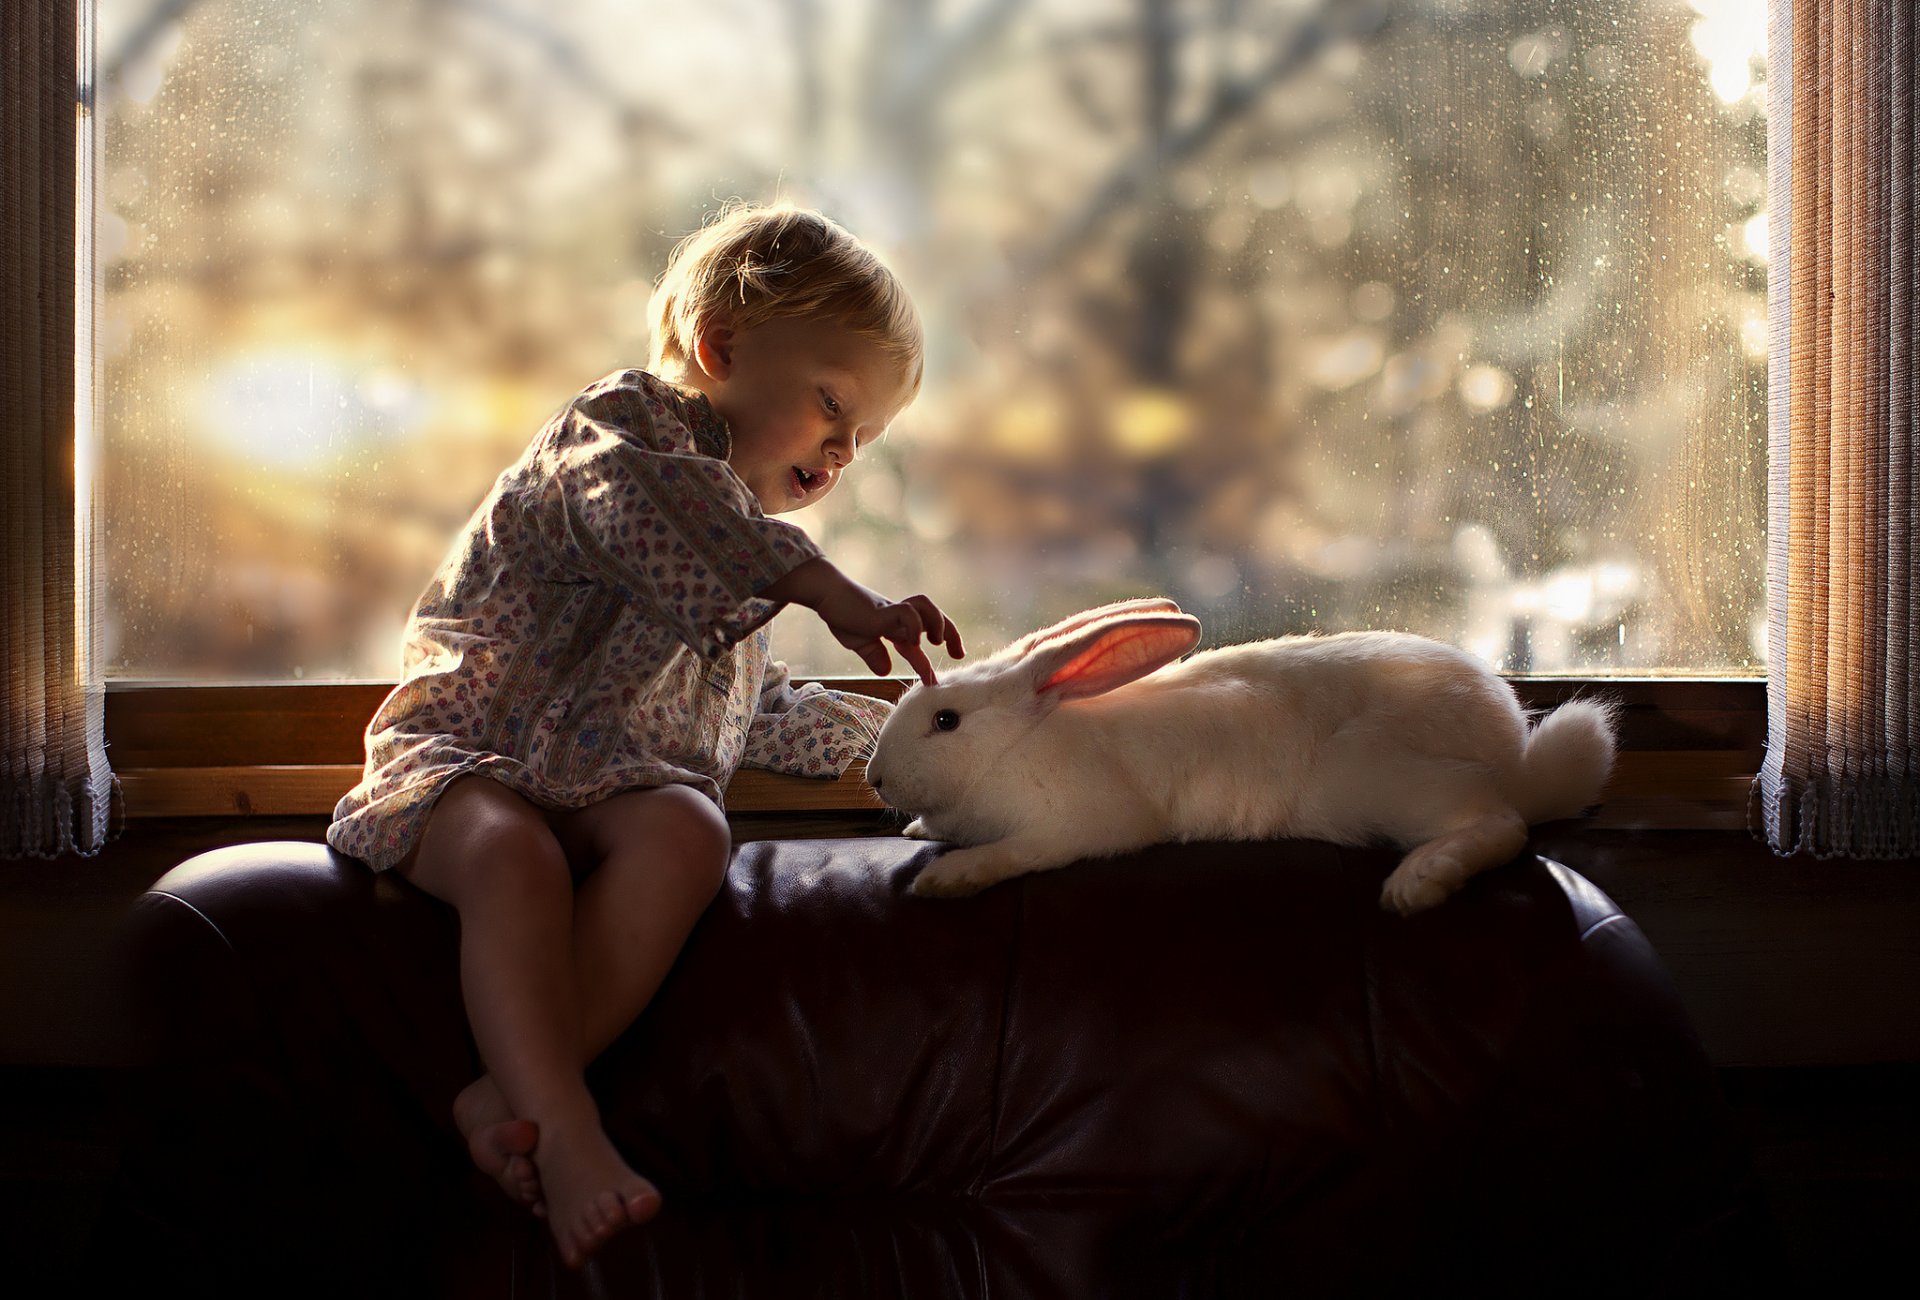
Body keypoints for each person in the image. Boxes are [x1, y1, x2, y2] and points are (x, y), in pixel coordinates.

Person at [327, 203, 964, 1268]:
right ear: (720, 347)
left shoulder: (749, 571)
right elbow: (663, 511)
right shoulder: (619, 433)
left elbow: (766, 714)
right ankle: (568, 1132)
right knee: (509, 852)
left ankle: (503, 1095)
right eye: (830, 405)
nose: (843, 450)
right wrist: (827, 587)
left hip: (606, 792)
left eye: (865, 438)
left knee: (687, 826)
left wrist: (932, 726)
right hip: (466, 764)